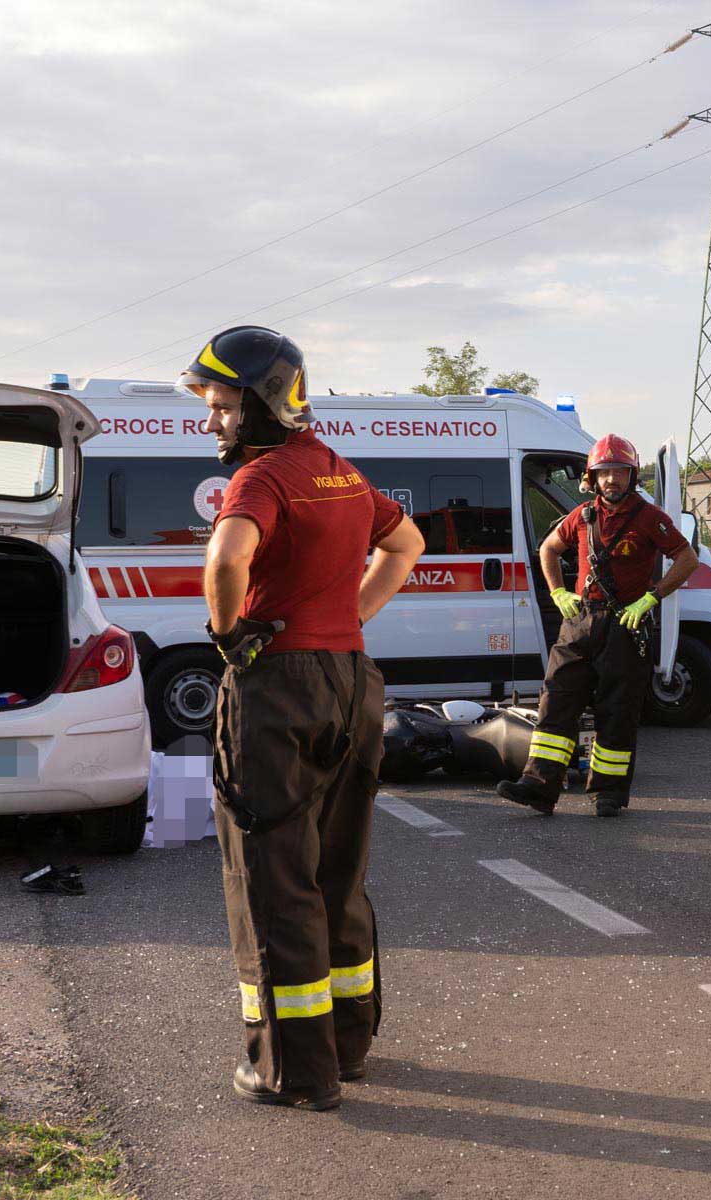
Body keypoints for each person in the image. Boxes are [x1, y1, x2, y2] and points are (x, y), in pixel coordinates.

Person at [185, 325, 423, 1113]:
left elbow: (226, 561)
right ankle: (348, 1047)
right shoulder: (339, 472)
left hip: (279, 688)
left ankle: (294, 1070)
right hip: (352, 683)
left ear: (259, 405)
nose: (211, 423)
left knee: (272, 878)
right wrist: (348, 620)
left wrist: (228, 639)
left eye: (221, 407)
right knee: (337, 872)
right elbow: (407, 544)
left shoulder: (258, 480)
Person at [496, 435, 699, 818]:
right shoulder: (583, 515)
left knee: (617, 712)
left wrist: (652, 597)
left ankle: (608, 793)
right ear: (592, 477)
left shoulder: (650, 517)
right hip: (580, 622)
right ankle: (539, 788)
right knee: (556, 701)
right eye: (604, 473)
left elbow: (687, 558)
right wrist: (557, 592)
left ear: (632, 475)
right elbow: (548, 549)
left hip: (626, 623)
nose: (611, 481)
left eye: (619, 472)